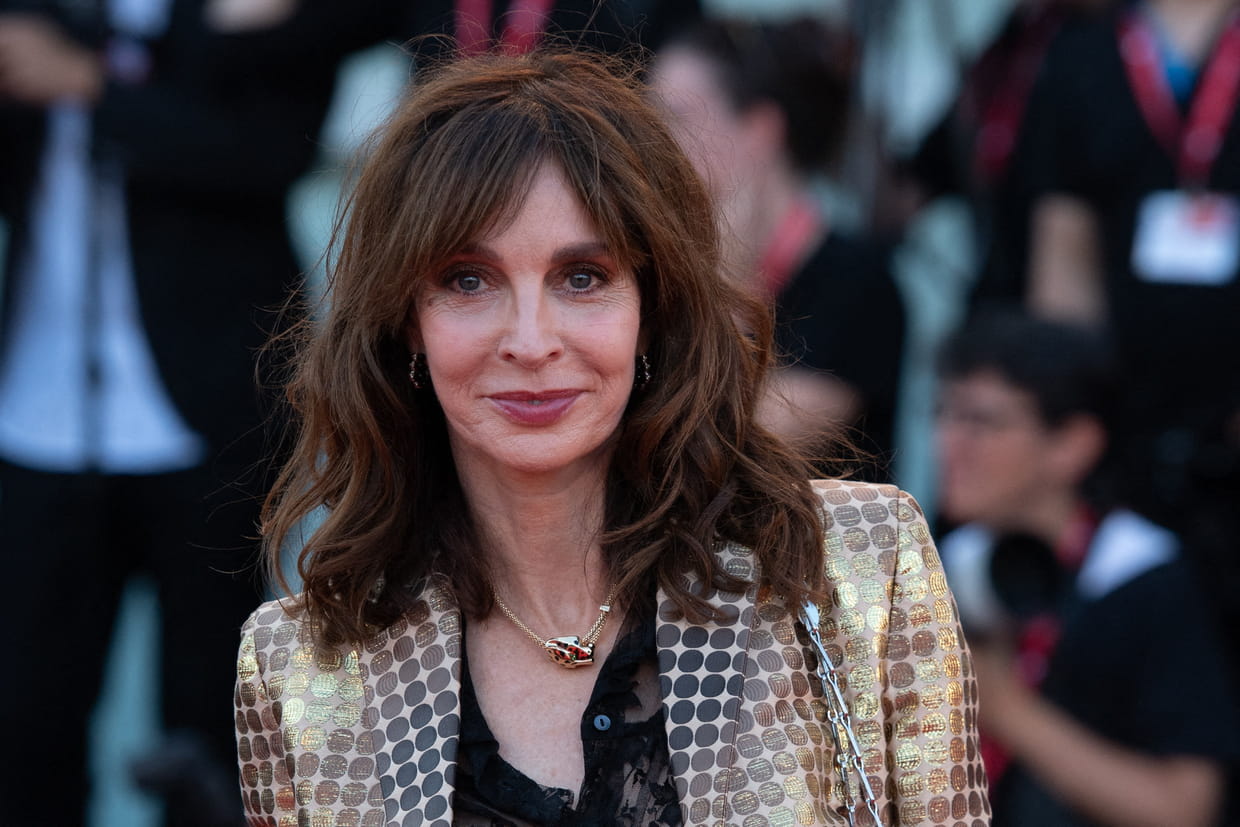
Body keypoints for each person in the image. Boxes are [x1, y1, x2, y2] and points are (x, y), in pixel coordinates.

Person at [234, 49, 991, 827]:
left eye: (582, 278)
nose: (531, 341)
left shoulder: (861, 570)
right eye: (469, 279)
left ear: (651, 312)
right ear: (406, 323)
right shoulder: (300, 671)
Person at [933, 310, 1237, 826]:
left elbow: (1184, 809)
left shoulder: (1145, 579)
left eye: (981, 422)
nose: (948, 442)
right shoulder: (942, 558)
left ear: (1072, 445)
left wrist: (1004, 705)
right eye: (943, 414)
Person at [650, 17, 906, 473]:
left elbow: (715, 448)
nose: (650, 143)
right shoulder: (660, 261)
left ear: (760, 130)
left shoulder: (857, 284)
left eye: (674, 118)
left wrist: (723, 288)